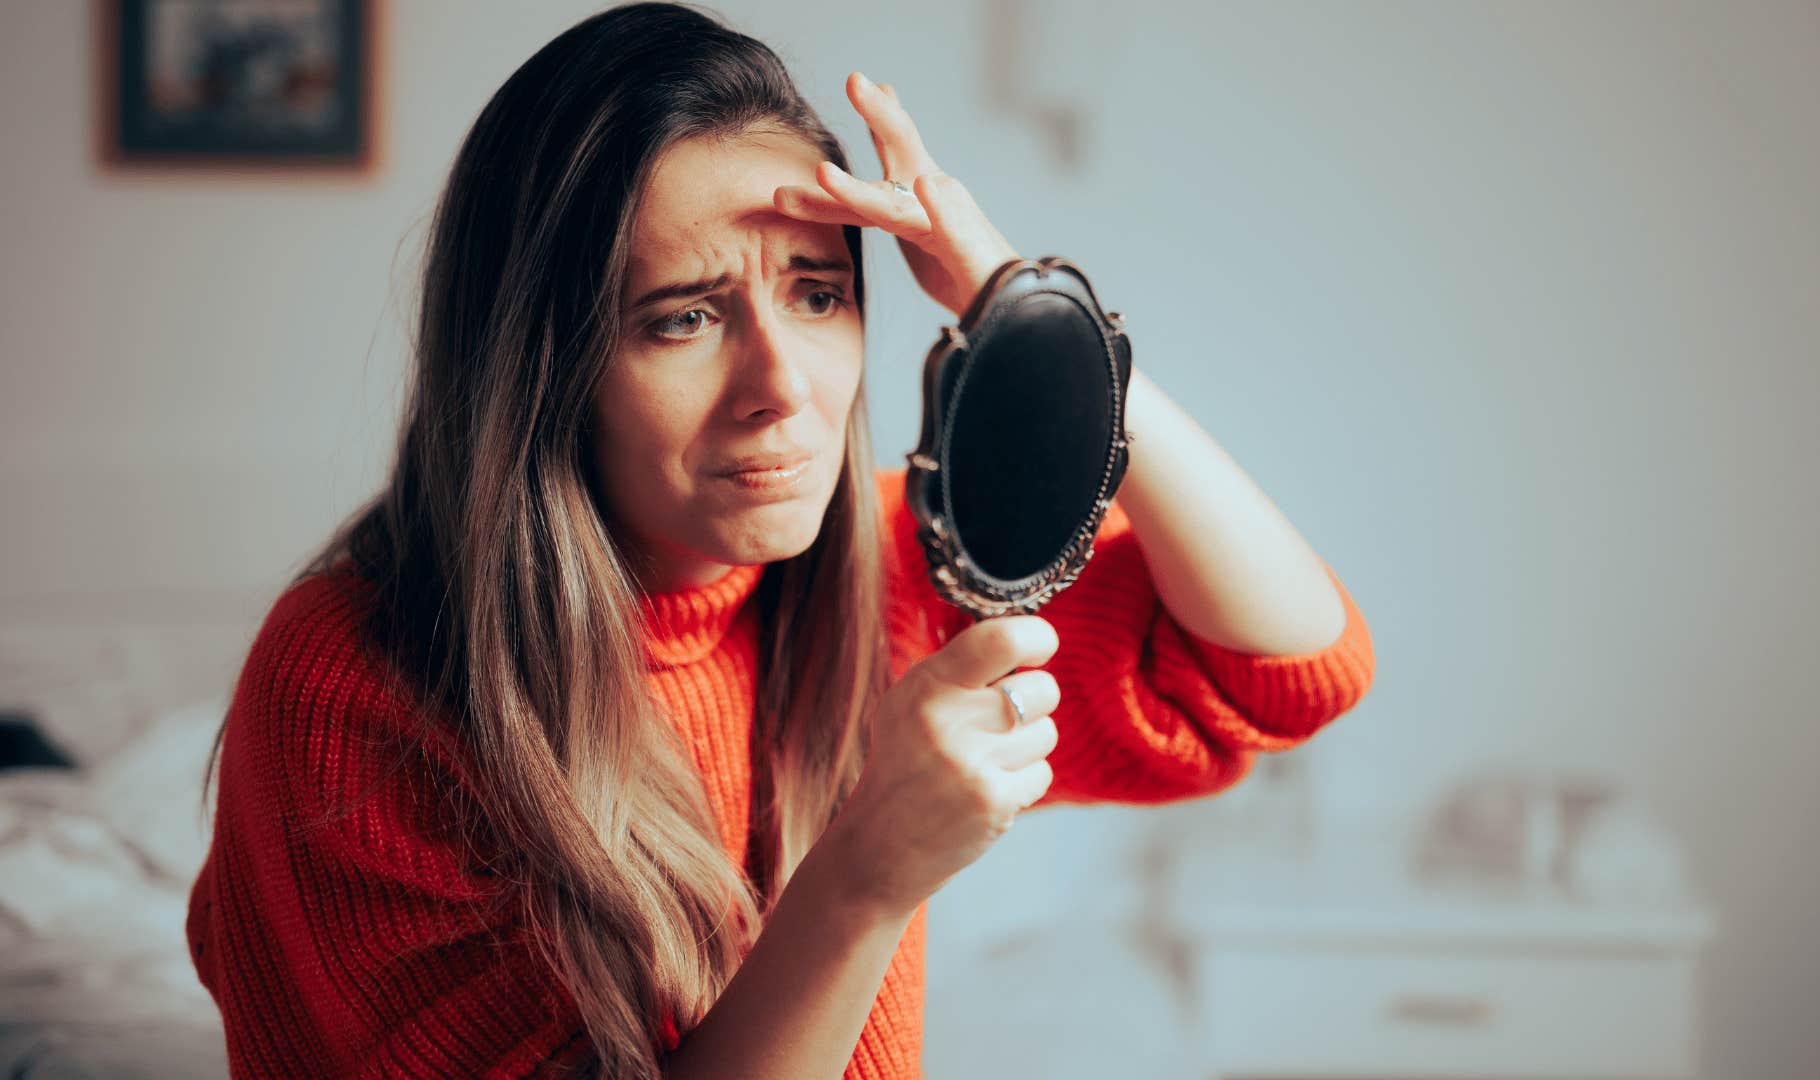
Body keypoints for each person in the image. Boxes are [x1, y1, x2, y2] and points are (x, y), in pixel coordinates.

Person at [183, 4, 1376, 1077]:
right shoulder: (356, 684)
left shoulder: (886, 572)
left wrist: (1021, 305)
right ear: (544, 369)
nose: (783, 387)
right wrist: (865, 877)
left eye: (817, 293)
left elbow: (1289, 667)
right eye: (684, 317)